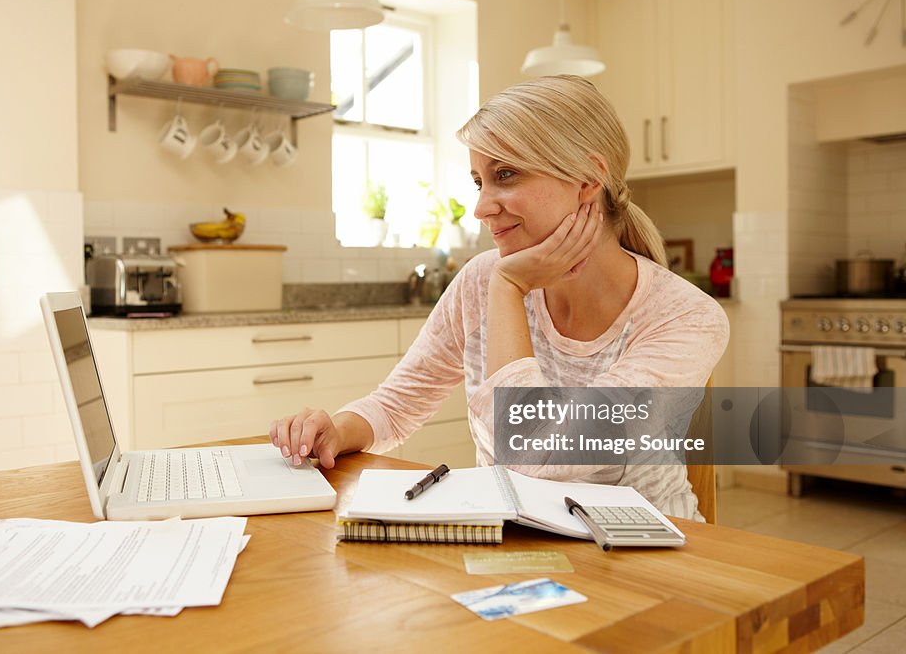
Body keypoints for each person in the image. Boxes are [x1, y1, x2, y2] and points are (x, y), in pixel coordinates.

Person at [269, 75, 730, 519]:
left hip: (645, 555)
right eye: (478, 181)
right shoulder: (481, 279)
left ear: (589, 180)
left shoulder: (686, 317)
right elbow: (395, 404)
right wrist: (338, 430)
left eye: (505, 174)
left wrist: (509, 289)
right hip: (517, 541)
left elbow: (541, 460)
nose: (481, 206)